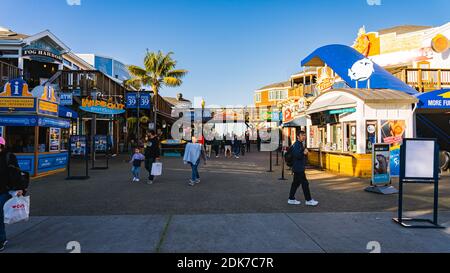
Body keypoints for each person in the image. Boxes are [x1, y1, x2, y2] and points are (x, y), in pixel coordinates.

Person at [0, 137, 25, 252]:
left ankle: (1, 240)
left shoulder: (9, 157)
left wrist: (20, 188)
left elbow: (16, 173)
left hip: (4, 190)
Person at [288, 131, 319, 207]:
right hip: (298, 168)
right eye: (302, 135)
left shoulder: (300, 144)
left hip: (298, 167)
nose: (304, 137)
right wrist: (304, 153)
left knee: (295, 183)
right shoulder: (297, 144)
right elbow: (297, 155)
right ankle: (308, 200)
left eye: (304, 135)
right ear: (298, 136)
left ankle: (291, 199)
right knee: (305, 183)